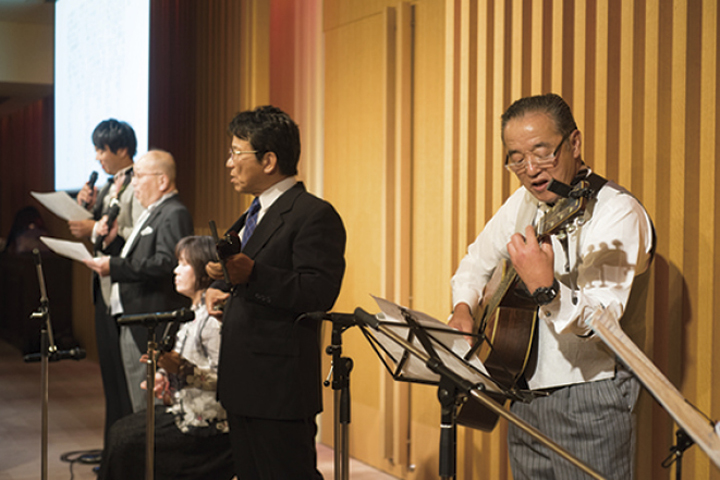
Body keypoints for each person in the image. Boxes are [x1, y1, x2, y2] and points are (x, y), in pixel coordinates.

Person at [448, 93, 655, 479]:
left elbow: (602, 320)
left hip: (590, 394)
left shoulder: (616, 212)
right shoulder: (522, 203)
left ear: (574, 144)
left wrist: (548, 290)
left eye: (542, 153)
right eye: (516, 157)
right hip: (521, 388)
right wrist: (463, 308)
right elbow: (474, 263)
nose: (530, 169)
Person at [204, 105, 346, 479]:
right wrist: (220, 286)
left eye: (237, 153)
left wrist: (253, 274)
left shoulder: (313, 214)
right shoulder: (254, 212)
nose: (229, 163)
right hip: (242, 379)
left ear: (268, 160)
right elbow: (247, 272)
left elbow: (319, 292)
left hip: (278, 386)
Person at [98, 235, 234, 480]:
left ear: (204, 270)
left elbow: (227, 381)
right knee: (120, 431)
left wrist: (182, 370)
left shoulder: (212, 320)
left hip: (207, 429)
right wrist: (165, 376)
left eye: (183, 264)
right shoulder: (192, 313)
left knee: (126, 444)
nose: (175, 270)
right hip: (185, 414)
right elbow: (184, 365)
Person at [85, 149, 194, 414]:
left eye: (138, 176)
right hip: (133, 318)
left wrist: (114, 266)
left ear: (162, 181)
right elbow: (144, 258)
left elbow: (166, 263)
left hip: (150, 320)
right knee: (136, 403)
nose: (133, 183)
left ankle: (151, 456)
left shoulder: (173, 212)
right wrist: (114, 248)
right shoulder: (152, 212)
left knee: (149, 407)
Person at [70, 119, 144, 449]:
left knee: (126, 382)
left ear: (123, 150)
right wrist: (85, 207)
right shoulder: (111, 186)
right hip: (104, 291)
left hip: (126, 293)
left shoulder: (140, 183)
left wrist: (94, 230)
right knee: (110, 380)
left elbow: (143, 235)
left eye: (102, 149)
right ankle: (113, 455)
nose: (98, 156)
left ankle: (125, 455)